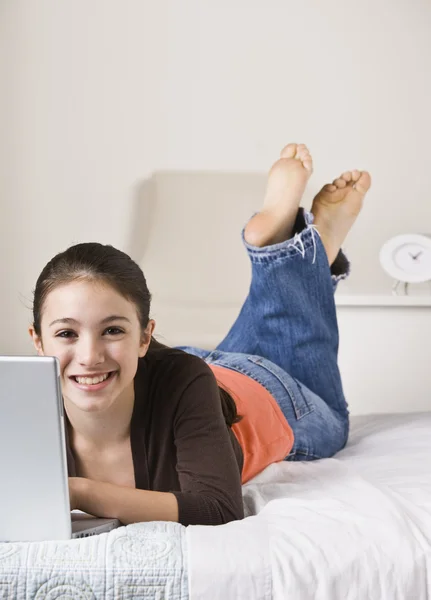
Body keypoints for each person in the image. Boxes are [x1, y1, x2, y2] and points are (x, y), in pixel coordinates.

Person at [28, 143, 371, 527]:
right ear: (37, 342)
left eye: (112, 330)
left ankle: (287, 251)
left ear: (144, 337)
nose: (89, 355)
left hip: (267, 392)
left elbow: (218, 509)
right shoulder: (22, 408)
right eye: (66, 333)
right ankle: (305, 252)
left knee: (332, 419)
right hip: (202, 370)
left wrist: (79, 491)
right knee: (278, 328)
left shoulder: (185, 382)